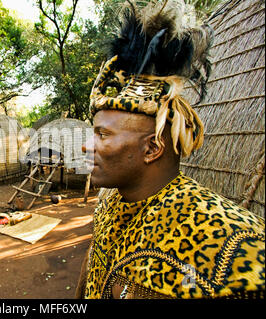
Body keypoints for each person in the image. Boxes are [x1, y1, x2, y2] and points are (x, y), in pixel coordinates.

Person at [76, 0, 265, 299]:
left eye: (103, 134)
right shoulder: (108, 204)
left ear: (152, 148)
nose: (88, 144)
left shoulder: (237, 249)